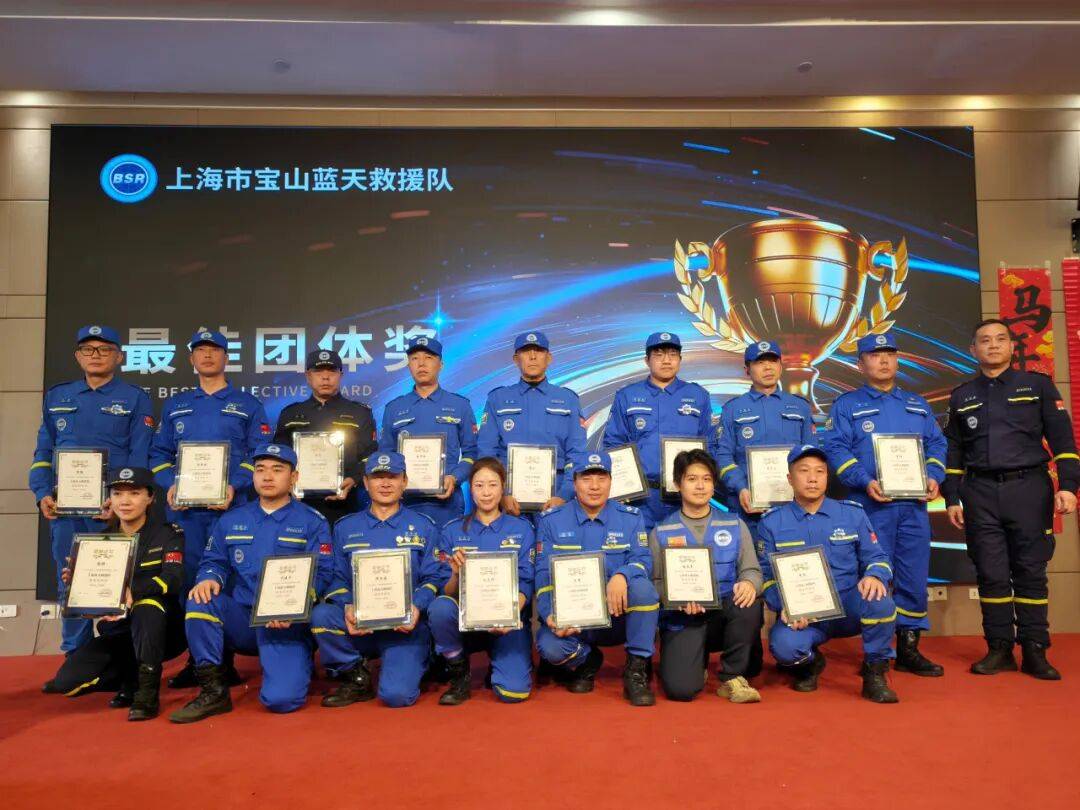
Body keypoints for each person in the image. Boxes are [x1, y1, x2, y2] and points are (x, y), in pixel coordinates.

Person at [942, 318, 1079, 679]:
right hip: (980, 492)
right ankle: (999, 648)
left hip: (1028, 489)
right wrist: (951, 496)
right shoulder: (962, 395)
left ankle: (1035, 649)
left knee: (1030, 571)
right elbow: (954, 451)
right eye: (985, 340)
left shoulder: (1038, 386)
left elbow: (1063, 441)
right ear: (973, 350)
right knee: (990, 573)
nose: (993, 345)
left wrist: (1069, 486)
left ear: (1012, 346)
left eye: (1000, 339)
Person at [169, 444, 333, 723]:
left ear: (294, 477)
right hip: (243, 618)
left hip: (287, 623)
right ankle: (213, 690)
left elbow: (323, 572)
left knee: (281, 700)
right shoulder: (232, 519)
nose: (267, 476)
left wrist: (296, 605)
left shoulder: (312, 522)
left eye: (277, 470)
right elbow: (214, 560)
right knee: (200, 599)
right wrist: (209, 577)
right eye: (260, 470)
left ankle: (300, 660)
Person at [150, 328, 270, 688]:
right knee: (190, 582)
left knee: (228, 580)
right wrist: (170, 483)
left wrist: (236, 484)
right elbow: (159, 453)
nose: (207, 355)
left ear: (226, 358)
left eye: (214, 350)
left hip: (231, 510)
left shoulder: (247, 404)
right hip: (186, 514)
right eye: (200, 350)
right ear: (191, 359)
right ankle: (198, 660)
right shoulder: (176, 405)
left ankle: (224, 660)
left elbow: (259, 453)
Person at [822, 331, 947, 676]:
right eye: (875, 355)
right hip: (868, 507)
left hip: (913, 508)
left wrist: (933, 476)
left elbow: (937, 444)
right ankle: (875, 652)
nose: (884, 360)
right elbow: (835, 448)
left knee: (913, 575)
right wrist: (865, 480)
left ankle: (908, 648)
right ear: (860, 364)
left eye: (890, 354)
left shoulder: (917, 404)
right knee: (873, 575)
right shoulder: (847, 405)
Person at [30, 324, 154, 660]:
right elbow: (43, 452)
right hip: (66, 510)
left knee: (121, 580)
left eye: (104, 349)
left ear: (119, 357)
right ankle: (76, 655)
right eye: (88, 349)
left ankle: (123, 656)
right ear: (77, 356)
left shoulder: (135, 398)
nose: (95, 355)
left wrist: (123, 501)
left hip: (114, 509)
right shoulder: (58, 397)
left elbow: (139, 455)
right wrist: (42, 492)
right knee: (71, 578)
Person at [759, 445, 899, 703]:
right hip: (805, 615)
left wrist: (874, 576)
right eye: (804, 471)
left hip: (849, 605)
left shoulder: (852, 514)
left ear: (827, 476)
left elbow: (878, 557)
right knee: (784, 648)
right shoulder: (771, 522)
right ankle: (811, 663)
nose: (812, 478)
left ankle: (875, 670)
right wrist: (785, 606)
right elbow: (766, 577)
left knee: (881, 601)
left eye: (820, 471)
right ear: (790, 478)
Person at [44, 467, 186, 721]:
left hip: (163, 631)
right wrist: (78, 584)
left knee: (147, 606)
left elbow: (172, 580)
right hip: (120, 632)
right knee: (67, 681)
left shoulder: (168, 534)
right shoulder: (99, 541)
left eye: (134, 493)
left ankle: (146, 693)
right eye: (118, 494)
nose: (125, 501)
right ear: (110, 499)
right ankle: (128, 677)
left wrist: (132, 593)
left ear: (150, 498)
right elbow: (94, 597)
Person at [310, 451, 446, 709]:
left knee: (397, 696)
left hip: (405, 628)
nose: (385, 484)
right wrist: (347, 605)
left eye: (392, 477)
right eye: (377, 477)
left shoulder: (424, 526)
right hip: (360, 625)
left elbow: (433, 578)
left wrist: (416, 606)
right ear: (365, 482)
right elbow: (336, 578)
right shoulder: (345, 527)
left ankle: (421, 659)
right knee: (322, 615)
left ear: (404, 482)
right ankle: (355, 674)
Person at [713, 338, 813, 678]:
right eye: (759, 362)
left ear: (780, 366)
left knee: (796, 571)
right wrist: (740, 486)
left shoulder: (799, 407)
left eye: (772, 361)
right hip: (747, 509)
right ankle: (750, 652)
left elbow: (810, 456)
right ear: (747, 369)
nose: (767, 367)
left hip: (792, 510)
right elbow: (723, 455)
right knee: (749, 577)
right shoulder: (733, 409)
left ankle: (801, 650)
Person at [534, 450, 659, 707]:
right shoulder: (551, 521)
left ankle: (636, 670)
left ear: (611, 481)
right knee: (550, 648)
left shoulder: (631, 517)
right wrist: (549, 615)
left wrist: (622, 575)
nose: (594, 486)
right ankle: (588, 660)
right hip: (576, 621)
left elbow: (643, 560)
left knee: (643, 589)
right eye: (586, 478)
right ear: (574, 482)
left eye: (601, 478)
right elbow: (543, 576)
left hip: (617, 617)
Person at [650, 449, 763, 704]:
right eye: (692, 479)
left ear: (714, 485)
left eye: (707, 479)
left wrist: (749, 583)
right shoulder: (661, 532)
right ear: (678, 484)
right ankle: (694, 662)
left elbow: (753, 571)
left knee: (750, 602)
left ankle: (732, 676)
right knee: (680, 690)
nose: (700, 486)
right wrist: (675, 599)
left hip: (725, 617)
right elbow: (654, 583)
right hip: (684, 617)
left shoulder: (735, 525)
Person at [428, 458, 535, 705]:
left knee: (513, 692)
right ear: (470, 488)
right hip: (466, 623)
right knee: (440, 607)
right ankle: (458, 670)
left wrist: (509, 614)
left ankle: (501, 662)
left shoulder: (522, 529)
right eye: (479, 485)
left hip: (508, 623)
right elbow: (446, 591)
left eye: (492, 485)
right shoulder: (452, 531)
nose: (486, 492)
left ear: (503, 487)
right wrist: (456, 574)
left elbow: (527, 582)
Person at [602, 331, 716, 529]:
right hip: (641, 499)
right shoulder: (627, 396)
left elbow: (710, 445)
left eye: (672, 354)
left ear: (680, 359)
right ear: (647, 360)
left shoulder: (699, 396)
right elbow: (613, 444)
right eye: (659, 354)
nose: (666, 360)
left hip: (685, 498)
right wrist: (621, 487)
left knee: (684, 548)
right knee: (642, 547)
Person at [477, 330, 587, 517]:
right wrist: (500, 493)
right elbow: (486, 451)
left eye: (539, 351)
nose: (533, 356)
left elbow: (577, 453)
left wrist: (565, 494)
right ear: (516, 359)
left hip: (556, 499)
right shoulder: (498, 398)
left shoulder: (568, 399)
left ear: (549, 357)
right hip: (508, 501)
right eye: (526, 351)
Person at [378, 336, 477, 526]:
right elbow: (385, 456)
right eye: (415, 358)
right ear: (408, 365)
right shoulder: (394, 408)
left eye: (429, 358)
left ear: (441, 364)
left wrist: (455, 477)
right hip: (404, 504)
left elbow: (472, 454)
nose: (421, 364)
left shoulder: (460, 406)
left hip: (447, 503)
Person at [274, 348, 378, 523]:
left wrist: (353, 479)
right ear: (308, 376)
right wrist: (287, 482)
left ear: (340, 375)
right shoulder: (290, 414)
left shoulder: (360, 413)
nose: (325, 377)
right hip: (298, 504)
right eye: (318, 371)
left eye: (331, 371)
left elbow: (370, 456)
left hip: (347, 503)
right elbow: (279, 457)